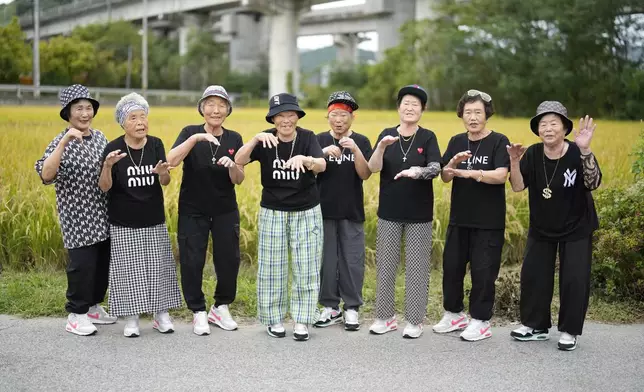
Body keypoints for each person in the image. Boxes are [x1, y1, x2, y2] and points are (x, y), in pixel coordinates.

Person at [507, 101, 601, 351]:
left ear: (565, 128)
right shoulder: (534, 154)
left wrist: (586, 151)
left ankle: (570, 331)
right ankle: (535, 326)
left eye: (553, 124)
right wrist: (515, 162)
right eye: (543, 124)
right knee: (533, 276)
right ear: (538, 129)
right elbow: (517, 186)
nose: (548, 129)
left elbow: (593, 183)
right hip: (542, 225)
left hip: (577, 225)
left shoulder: (577, 151)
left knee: (574, 279)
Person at [235, 93, 327, 341]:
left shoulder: (307, 137)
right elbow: (239, 160)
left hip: (306, 210)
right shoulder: (265, 139)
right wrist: (254, 140)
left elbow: (322, 165)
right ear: (273, 119)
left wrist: (305, 160)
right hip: (273, 210)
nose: (286, 120)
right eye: (280, 116)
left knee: (306, 266)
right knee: (271, 266)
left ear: (297, 116)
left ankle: (302, 320)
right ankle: (273, 319)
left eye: (290, 115)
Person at [34, 84, 117, 336]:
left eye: (88, 107)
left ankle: (92, 307)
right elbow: (46, 175)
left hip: (102, 214)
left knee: (101, 265)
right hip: (77, 218)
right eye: (78, 108)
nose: (84, 113)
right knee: (82, 267)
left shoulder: (100, 137)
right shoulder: (62, 141)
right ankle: (76, 314)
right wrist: (64, 142)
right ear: (68, 113)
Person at [98, 92, 182, 337]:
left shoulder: (156, 144)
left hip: (153, 218)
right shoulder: (113, 148)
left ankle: (160, 314)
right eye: (133, 118)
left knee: (158, 268)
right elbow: (105, 187)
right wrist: (107, 166)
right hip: (123, 221)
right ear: (123, 123)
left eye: (143, 117)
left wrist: (162, 172)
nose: (140, 122)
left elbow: (165, 181)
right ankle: (132, 318)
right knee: (127, 269)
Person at [432, 90, 510, 341]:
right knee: (452, 268)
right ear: (461, 115)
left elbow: (501, 175)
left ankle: (480, 320)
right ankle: (454, 314)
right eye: (468, 113)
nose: (473, 117)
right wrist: (452, 164)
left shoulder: (498, 140)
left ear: (487, 114)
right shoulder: (456, 141)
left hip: (488, 222)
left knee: (483, 271)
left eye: (478, 112)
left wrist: (471, 173)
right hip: (459, 219)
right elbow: (445, 176)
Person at [166, 85, 245, 336]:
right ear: (201, 108)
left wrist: (233, 165)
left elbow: (239, 179)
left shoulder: (234, 139)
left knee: (229, 260)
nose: (216, 110)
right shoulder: (189, 132)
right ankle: (198, 310)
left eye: (221, 105)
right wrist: (195, 139)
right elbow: (171, 161)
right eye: (210, 104)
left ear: (228, 110)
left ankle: (220, 306)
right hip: (193, 209)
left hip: (225, 209)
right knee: (192, 260)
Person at [367, 85, 442, 339]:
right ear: (398, 107)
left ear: (423, 109)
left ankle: (414, 321)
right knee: (386, 266)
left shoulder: (427, 137)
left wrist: (416, 172)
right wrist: (380, 147)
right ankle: (385, 318)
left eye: (416, 105)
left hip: (419, 214)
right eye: (406, 103)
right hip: (389, 211)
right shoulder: (386, 134)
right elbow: (373, 168)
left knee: (417, 267)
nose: (410, 108)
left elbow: (436, 168)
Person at [313, 91, 372, 331]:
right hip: (322, 210)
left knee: (352, 261)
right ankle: (330, 307)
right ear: (328, 116)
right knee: (326, 261)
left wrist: (356, 150)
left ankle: (351, 308)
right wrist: (323, 153)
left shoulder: (362, 141)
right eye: (334, 114)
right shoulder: (316, 139)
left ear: (352, 117)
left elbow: (365, 173)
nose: (339, 120)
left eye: (344, 115)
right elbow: (311, 171)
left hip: (351, 211)